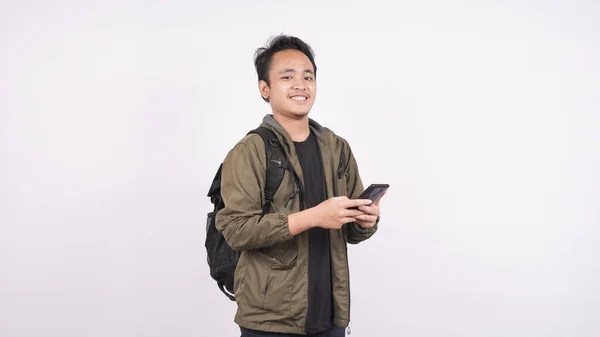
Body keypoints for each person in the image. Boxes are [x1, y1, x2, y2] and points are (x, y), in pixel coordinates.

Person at [216, 34, 385, 337]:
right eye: (287, 76)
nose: (301, 84)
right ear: (264, 88)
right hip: (271, 321)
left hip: (332, 315)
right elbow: (236, 229)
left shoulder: (336, 147)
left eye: (308, 76)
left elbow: (353, 231)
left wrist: (366, 220)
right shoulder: (250, 151)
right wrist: (313, 218)